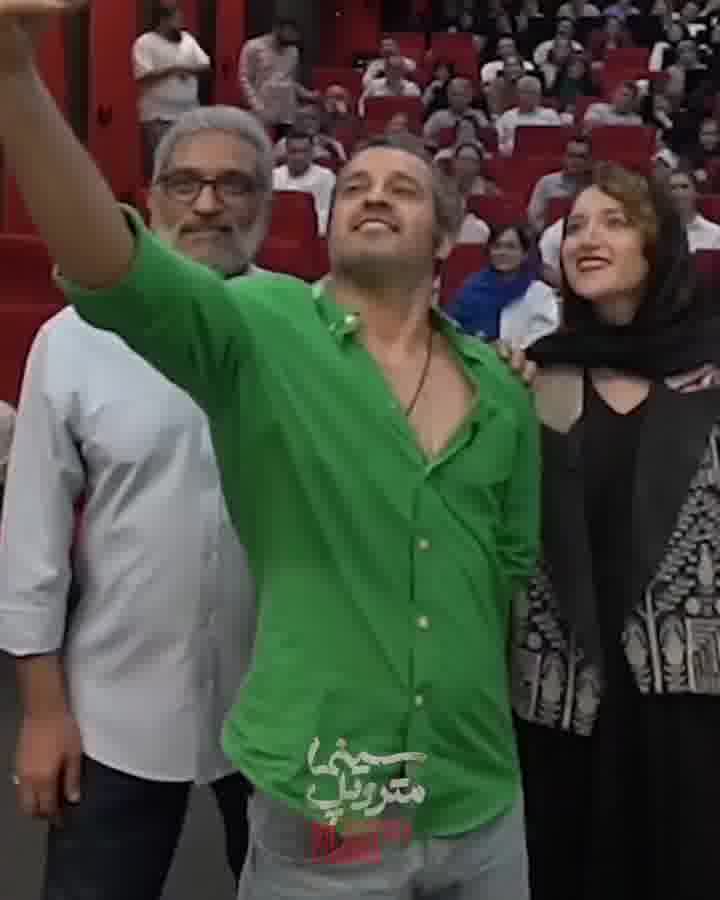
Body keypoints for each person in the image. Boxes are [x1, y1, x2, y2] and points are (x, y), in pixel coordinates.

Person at [0, 6, 540, 898]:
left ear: (447, 237)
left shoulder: (500, 390)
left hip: (467, 796)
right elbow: (112, 266)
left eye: (403, 190)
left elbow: (504, 577)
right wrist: (16, 79)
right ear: (326, 225)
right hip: (297, 784)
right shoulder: (263, 325)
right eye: (354, 186)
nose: (374, 196)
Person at [0, 105, 275, 900]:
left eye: (234, 185)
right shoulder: (72, 338)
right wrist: (42, 714)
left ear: (266, 204)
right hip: (114, 707)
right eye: (185, 183)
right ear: (149, 199)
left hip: (281, 705)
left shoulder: (311, 329)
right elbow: (32, 542)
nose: (208, 205)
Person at [516, 161, 720, 900]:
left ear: (659, 244)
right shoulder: (533, 379)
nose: (587, 239)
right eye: (574, 227)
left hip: (691, 703)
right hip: (565, 693)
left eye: (614, 222)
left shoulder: (713, 370)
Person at [132, 0, 210, 178]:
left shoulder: (188, 40)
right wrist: (173, 69)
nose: (181, 20)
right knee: (165, 165)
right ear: (163, 20)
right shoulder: (144, 43)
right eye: (177, 16)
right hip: (159, 116)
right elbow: (143, 77)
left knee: (189, 163)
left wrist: (187, 68)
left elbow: (205, 65)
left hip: (189, 113)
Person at [448, 224, 560, 347]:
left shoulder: (540, 293)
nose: (502, 252)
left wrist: (511, 349)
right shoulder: (472, 287)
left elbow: (543, 336)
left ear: (525, 254)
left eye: (511, 247)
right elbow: (453, 328)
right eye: (497, 246)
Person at [237, 16, 316, 134]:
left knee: (285, 144)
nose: (294, 37)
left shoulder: (293, 51)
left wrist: (307, 94)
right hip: (262, 110)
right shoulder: (253, 47)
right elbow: (244, 79)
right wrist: (256, 106)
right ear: (277, 29)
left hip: (287, 113)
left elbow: (290, 81)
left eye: (296, 34)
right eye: (291, 32)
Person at [272, 130, 336, 233]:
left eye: (304, 151)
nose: (299, 157)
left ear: (312, 153)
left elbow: (325, 212)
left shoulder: (326, 177)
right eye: (294, 151)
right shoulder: (273, 176)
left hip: (310, 234)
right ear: (286, 153)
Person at [528, 136, 592, 233]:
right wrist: (550, 235)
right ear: (564, 157)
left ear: (589, 160)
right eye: (571, 155)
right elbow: (534, 216)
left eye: (581, 157)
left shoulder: (594, 185)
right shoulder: (547, 182)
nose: (575, 161)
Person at [496, 76, 562, 157]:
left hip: (544, 157)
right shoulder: (506, 117)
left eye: (534, 93)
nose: (530, 96)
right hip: (515, 158)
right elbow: (498, 144)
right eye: (525, 92)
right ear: (517, 94)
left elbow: (558, 142)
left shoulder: (550, 115)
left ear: (539, 95)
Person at [668, 167, 720, 250]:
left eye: (684, 187)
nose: (678, 193)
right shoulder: (663, 232)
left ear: (695, 192)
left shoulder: (715, 233)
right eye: (673, 188)